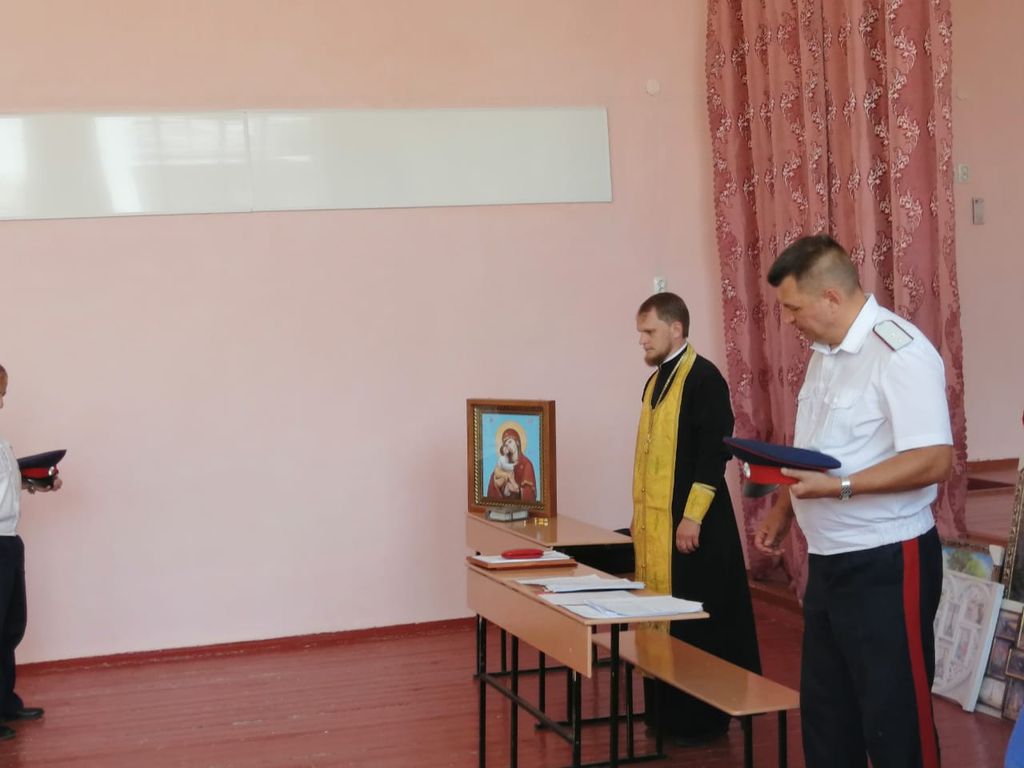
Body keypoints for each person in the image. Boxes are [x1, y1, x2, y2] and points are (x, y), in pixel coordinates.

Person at [754, 234, 952, 768]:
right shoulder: (825, 355)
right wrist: (783, 509)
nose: (788, 320)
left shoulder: (900, 353)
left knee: (894, 716)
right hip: (829, 559)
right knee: (828, 714)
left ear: (831, 298)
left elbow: (935, 459)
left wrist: (842, 488)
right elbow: (817, 448)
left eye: (793, 308)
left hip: (887, 560)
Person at [632, 292, 761, 744]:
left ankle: (701, 720)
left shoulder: (704, 379)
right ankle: (663, 714)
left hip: (696, 527)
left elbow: (713, 454)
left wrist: (691, 517)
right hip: (658, 528)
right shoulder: (655, 382)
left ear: (676, 329)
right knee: (661, 614)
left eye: (649, 332)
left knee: (698, 621)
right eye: (640, 333)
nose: (642, 341)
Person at [0, 363, 61, 741]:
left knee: (9, 627)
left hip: (8, 538)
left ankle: (4, 702)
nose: (2, 402)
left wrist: (34, 481)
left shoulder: (2, 442)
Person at [486, 427, 536, 501]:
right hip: (503, 505)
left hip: (520, 506)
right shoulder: (504, 462)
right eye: (506, 445)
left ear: (517, 442)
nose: (508, 446)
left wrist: (518, 490)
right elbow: (493, 483)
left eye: (510, 442)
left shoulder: (526, 464)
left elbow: (531, 493)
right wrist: (496, 482)